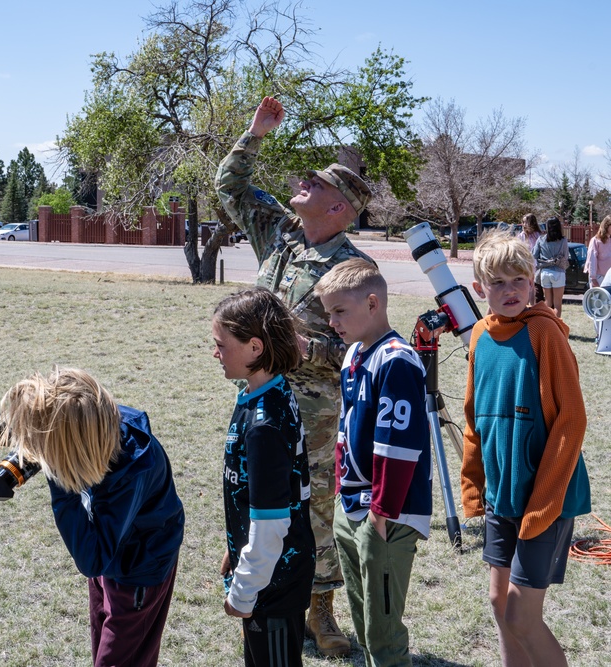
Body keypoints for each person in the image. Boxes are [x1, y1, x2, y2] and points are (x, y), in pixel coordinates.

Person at [215, 95, 374, 658]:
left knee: (315, 506)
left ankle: (319, 610)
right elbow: (229, 187)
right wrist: (254, 133)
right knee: (254, 490)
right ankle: (254, 581)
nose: (305, 180)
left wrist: (308, 350)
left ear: (340, 209)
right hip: (258, 398)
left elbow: (362, 345)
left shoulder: (354, 269)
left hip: (314, 411)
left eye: (320, 182)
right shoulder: (279, 237)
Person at [0, 367, 185, 667]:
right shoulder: (98, 422)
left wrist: (60, 478)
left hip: (138, 571)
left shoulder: (131, 470)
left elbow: (91, 560)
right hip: (111, 552)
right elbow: (69, 427)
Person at [462, 231, 591, 667]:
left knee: (521, 615)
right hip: (503, 496)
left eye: (518, 279)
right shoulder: (479, 336)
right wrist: (474, 485)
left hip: (546, 499)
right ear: (479, 288)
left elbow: (572, 421)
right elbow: (473, 418)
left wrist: (544, 502)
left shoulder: (543, 333)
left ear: (534, 280)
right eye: (497, 282)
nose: (509, 290)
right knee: (500, 605)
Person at [314, 259, 432, 667]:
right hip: (353, 505)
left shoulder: (396, 360)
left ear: (372, 303)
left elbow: (397, 446)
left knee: (383, 632)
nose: (332, 322)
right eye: (328, 313)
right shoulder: (352, 356)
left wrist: (382, 513)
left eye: (339, 311)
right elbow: (348, 432)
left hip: (385, 514)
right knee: (364, 621)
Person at [212, 287, 315, 667]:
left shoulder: (265, 424)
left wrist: (242, 592)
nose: (216, 353)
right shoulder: (263, 395)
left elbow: (272, 524)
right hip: (265, 572)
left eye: (222, 344)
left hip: (273, 584)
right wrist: (236, 547)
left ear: (255, 348)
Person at [532, 217, 570, 318]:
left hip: (545, 272)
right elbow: (566, 257)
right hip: (558, 272)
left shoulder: (541, 239)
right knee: (557, 304)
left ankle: (543, 322)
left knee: (547, 302)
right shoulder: (563, 240)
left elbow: (534, 255)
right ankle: (556, 328)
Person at [516, 213, 544, 305]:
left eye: (526, 222)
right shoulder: (521, 236)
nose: (524, 224)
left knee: (534, 288)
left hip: (537, 266)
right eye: (523, 222)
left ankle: (533, 306)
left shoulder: (538, 235)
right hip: (525, 265)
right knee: (526, 287)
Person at [586, 215, 611, 288]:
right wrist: (593, 278)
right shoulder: (595, 240)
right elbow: (592, 259)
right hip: (599, 277)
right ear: (606, 226)